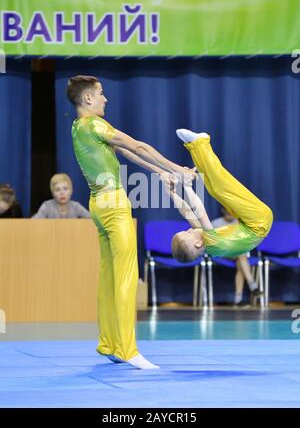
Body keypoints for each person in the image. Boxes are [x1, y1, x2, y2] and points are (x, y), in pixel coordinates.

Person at [66, 75, 195, 370]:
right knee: (126, 274)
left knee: (109, 275)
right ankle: (129, 349)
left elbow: (123, 151)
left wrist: (159, 173)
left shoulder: (78, 127)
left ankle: (110, 344)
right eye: (100, 93)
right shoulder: (97, 125)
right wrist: (177, 168)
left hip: (98, 203)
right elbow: (137, 146)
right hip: (113, 203)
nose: (105, 98)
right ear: (87, 99)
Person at [162, 129, 273, 267]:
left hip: (250, 223)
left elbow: (187, 212)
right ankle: (200, 142)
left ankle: (195, 146)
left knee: (213, 189)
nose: (189, 229)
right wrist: (187, 186)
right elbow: (200, 212)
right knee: (221, 188)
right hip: (259, 222)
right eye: (187, 233)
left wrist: (171, 192)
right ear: (198, 244)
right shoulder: (213, 244)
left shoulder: (204, 239)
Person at [212, 207, 263, 307]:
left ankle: (238, 299)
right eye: (227, 212)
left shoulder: (239, 223)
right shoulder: (215, 223)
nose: (229, 214)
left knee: (241, 261)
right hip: (222, 252)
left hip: (237, 252)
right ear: (223, 211)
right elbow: (213, 243)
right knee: (242, 255)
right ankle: (252, 284)